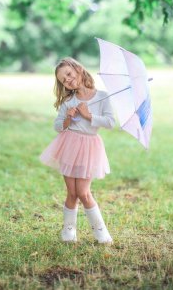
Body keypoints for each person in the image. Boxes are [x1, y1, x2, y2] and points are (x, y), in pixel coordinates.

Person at [40, 57, 115, 244]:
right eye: (63, 80)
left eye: (68, 74)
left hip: (89, 147)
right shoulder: (69, 101)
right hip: (69, 145)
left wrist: (88, 115)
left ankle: (100, 230)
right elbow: (58, 126)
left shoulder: (102, 96)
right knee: (71, 193)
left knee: (83, 192)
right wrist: (68, 117)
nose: (68, 80)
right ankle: (69, 229)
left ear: (78, 69)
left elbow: (110, 122)